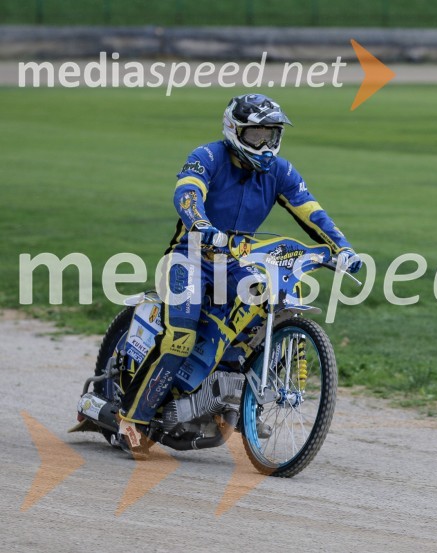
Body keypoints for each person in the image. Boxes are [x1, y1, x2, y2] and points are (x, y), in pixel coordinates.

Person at [117, 93, 361, 456]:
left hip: (234, 261)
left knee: (261, 309)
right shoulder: (207, 157)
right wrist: (201, 225)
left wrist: (342, 247)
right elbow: (187, 196)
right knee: (180, 337)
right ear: (234, 131)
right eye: (256, 135)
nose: (265, 144)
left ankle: (233, 397)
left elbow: (311, 212)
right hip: (190, 257)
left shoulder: (280, 171)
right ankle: (133, 418)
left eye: (271, 135)